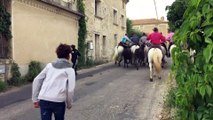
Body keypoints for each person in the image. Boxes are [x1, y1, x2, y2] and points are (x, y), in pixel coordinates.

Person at [32, 43, 75, 120]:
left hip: (44, 99)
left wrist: (35, 99)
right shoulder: (70, 70)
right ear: (69, 55)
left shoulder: (49, 66)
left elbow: (37, 80)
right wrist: (69, 104)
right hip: (58, 101)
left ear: (57, 54)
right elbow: (70, 89)